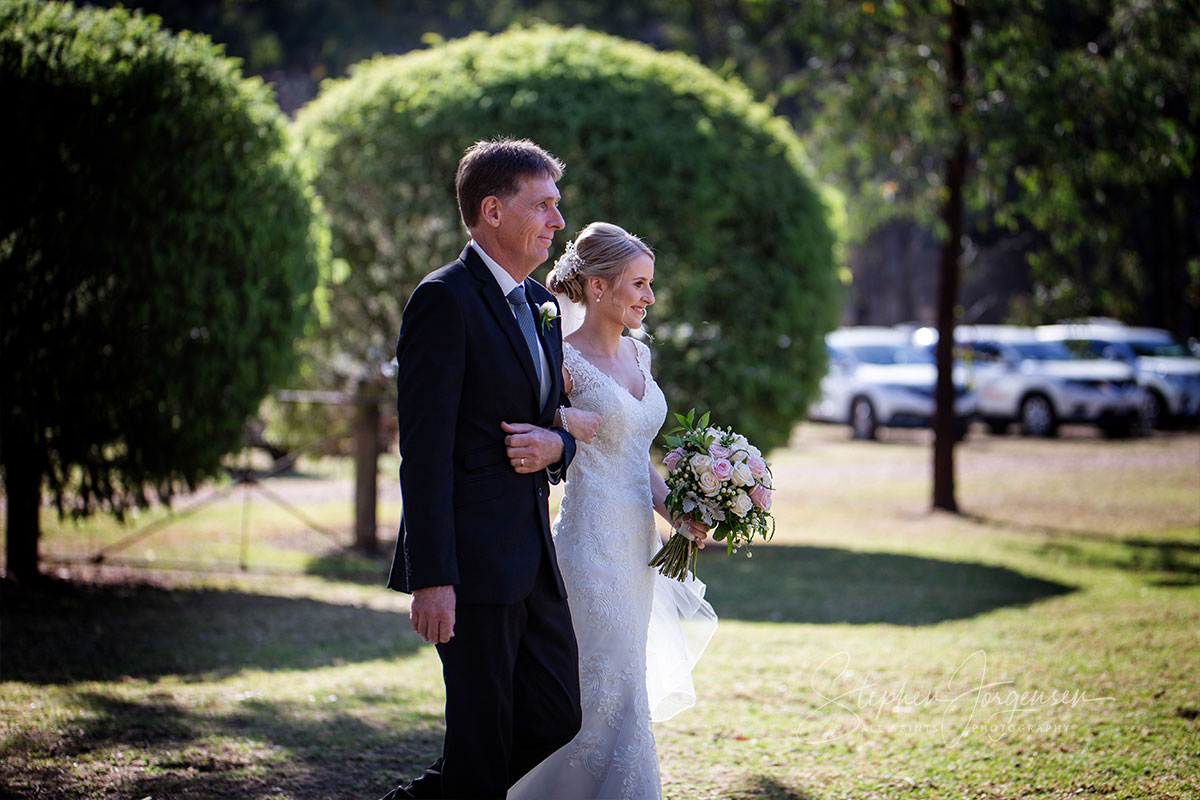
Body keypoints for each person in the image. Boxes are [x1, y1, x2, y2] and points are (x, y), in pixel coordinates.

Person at [380, 138, 597, 800]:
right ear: (493, 211)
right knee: (480, 738)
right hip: (470, 566)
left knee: (557, 716)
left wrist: (559, 447)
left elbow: (553, 421)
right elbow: (424, 450)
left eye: (558, 207)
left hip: (532, 559)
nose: (558, 222)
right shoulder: (442, 300)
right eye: (544, 206)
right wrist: (433, 576)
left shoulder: (545, 306)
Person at [508, 221, 718, 800]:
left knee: (628, 685)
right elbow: (538, 430)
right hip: (588, 546)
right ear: (597, 288)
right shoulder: (561, 361)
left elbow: (634, 457)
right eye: (639, 284)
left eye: (651, 285)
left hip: (637, 550)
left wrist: (676, 510)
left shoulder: (640, 353)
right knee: (593, 686)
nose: (649, 297)